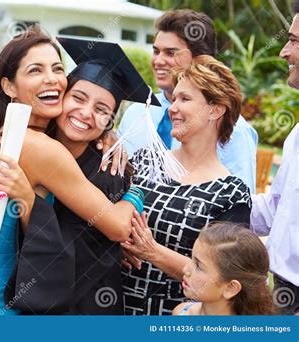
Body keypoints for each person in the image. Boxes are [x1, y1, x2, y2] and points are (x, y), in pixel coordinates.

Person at [0, 28, 145, 315]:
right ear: (9, 86)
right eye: (35, 70)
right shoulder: (41, 148)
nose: (51, 78)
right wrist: (134, 191)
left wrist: (108, 134)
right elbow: (119, 227)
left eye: (57, 68)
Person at [0, 38, 159, 315]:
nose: (85, 113)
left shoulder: (109, 172)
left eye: (101, 110)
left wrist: (134, 191)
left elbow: (85, 250)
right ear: (62, 96)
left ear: (110, 122)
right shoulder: (31, 142)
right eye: (78, 98)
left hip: (81, 305)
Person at [121, 55, 252, 316]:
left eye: (185, 99)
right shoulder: (144, 161)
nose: (172, 107)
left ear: (215, 110)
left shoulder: (231, 194)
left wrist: (152, 251)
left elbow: (222, 278)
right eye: (174, 98)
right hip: (112, 306)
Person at [117, 9, 258, 193]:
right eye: (156, 51)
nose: (158, 61)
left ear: (201, 59)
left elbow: (240, 206)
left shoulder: (233, 129)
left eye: (170, 53)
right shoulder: (135, 113)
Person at [250, 0, 299, 315]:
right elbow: (276, 208)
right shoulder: (296, 135)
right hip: (284, 291)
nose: (284, 52)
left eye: (294, 41)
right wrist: (210, 199)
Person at [172, 222, 276, 315]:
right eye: (192, 259)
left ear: (231, 287)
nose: (185, 269)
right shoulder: (181, 312)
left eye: (199, 266)